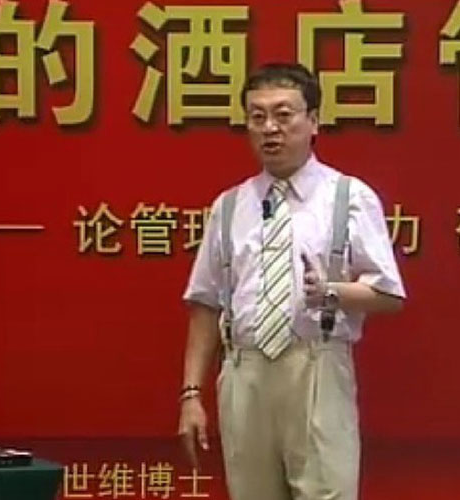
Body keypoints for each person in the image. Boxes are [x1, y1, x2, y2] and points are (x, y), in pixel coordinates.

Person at [178, 62, 405, 500]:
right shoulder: (230, 206)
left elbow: (388, 294)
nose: (270, 129)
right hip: (244, 370)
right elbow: (205, 303)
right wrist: (191, 393)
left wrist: (333, 293)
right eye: (258, 117)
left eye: (284, 115)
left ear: (313, 121)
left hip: (316, 364)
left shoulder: (348, 197)